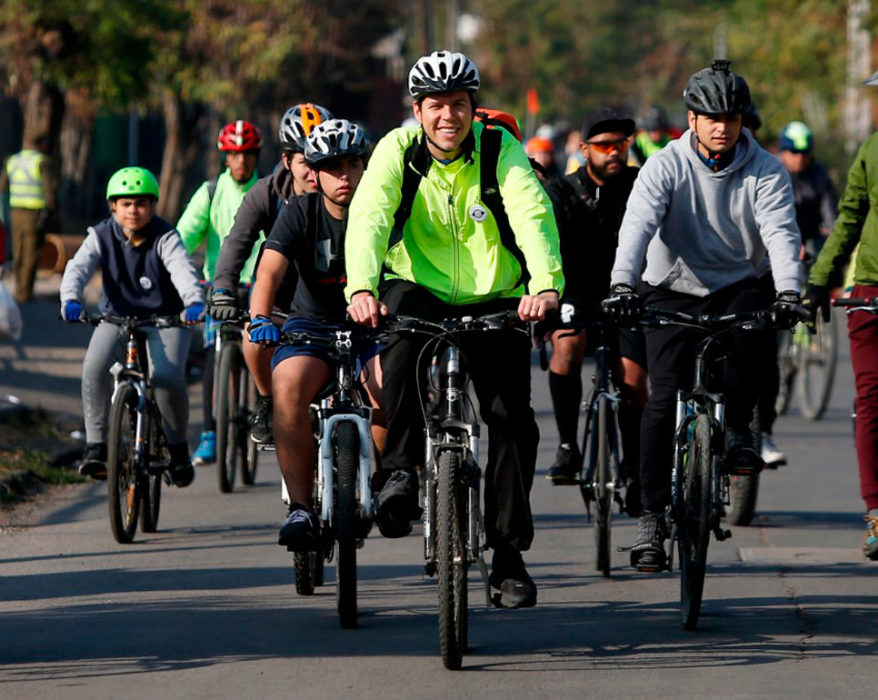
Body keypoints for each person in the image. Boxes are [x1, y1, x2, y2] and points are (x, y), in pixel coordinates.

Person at [345, 50, 564, 609]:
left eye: (460, 104)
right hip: (417, 286)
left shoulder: (499, 148)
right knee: (398, 348)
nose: (449, 116)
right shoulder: (397, 150)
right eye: (436, 105)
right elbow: (370, 216)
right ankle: (399, 473)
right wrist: (362, 288)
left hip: (496, 295)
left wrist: (544, 285)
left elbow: (531, 214)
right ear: (418, 110)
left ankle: (508, 555)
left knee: (512, 418)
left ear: (473, 107)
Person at [607, 59, 804, 571]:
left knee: (755, 341)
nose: (722, 127)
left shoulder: (766, 169)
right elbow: (637, 226)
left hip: (739, 281)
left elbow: (781, 233)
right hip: (671, 286)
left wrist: (789, 292)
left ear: (742, 121)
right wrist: (622, 283)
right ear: (691, 119)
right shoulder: (665, 165)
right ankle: (651, 517)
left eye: (731, 118)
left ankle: (739, 428)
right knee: (661, 399)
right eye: (712, 118)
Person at [246, 119, 372, 548]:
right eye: (332, 167)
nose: (344, 176)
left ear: (364, 167)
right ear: (314, 173)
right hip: (311, 325)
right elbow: (268, 271)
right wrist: (260, 317)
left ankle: (387, 484)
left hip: (372, 325)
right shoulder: (300, 211)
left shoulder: (384, 207)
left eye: (352, 165)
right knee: (287, 385)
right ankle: (300, 507)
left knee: (389, 386)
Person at [59, 167, 205, 486]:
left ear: (152, 205)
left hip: (167, 319)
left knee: (166, 378)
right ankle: (96, 446)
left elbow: (182, 270)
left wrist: (194, 302)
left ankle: (178, 448)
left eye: (141, 203)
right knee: (94, 367)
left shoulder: (165, 236)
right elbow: (78, 268)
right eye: (125, 203)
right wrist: (70, 300)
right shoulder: (100, 236)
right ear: (113, 206)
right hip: (117, 318)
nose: (133, 210)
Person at [543, 107, 647, 515]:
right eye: (604, 146)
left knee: (634, 383)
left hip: (628, 293)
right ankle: (568, 446)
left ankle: (634, 469)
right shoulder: (563, 191)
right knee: (567, 347)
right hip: (575, 292)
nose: (614, 152)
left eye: (621, 144)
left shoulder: (642, 184)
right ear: (584, 149)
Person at [210, 103, 333, 444]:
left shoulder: (345, 190)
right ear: (287, 161)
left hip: (334, 299)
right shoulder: (266, 193)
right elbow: (236, 243)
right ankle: (266, 399)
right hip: (281, 297)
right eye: (306, 161)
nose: (315, 172)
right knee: (252, 339)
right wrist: (222, 290)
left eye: (322, 159)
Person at [804, 70, 878, 561]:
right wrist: (818, 280)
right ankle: (876, 511)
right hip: (871, 289)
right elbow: (849, 217)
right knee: (871, 400)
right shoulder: (871, 149)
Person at [177, 120, 262, 465]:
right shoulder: (210, 192)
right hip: (219, 287)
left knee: (264, 348)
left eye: (247, 154)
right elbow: (183, 237)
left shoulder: (269, 190)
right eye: (234, 154)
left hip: (260, 288)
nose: (241, 161)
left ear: (256, 156)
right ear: (225, 157)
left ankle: (264, 412)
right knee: (214, 354)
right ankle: (210, 434)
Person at [0, 134, 58, 302]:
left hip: (15, 212)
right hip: (34, 214)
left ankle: (19, 288)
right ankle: (24, 293)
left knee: (18, 251)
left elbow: (3, 186)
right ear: (42, 144)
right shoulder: (40, 161)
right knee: (30, 253)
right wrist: (52, 210)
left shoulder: (13, 160)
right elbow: (49, 191)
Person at [778, 121, 838, 258]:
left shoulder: (820, 174)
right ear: (783, 152)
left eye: (804, 153)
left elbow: (830, 212)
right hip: (780, 237)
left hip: (813, 238)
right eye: (794, 152)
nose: (800, 158)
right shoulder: (771, 174)